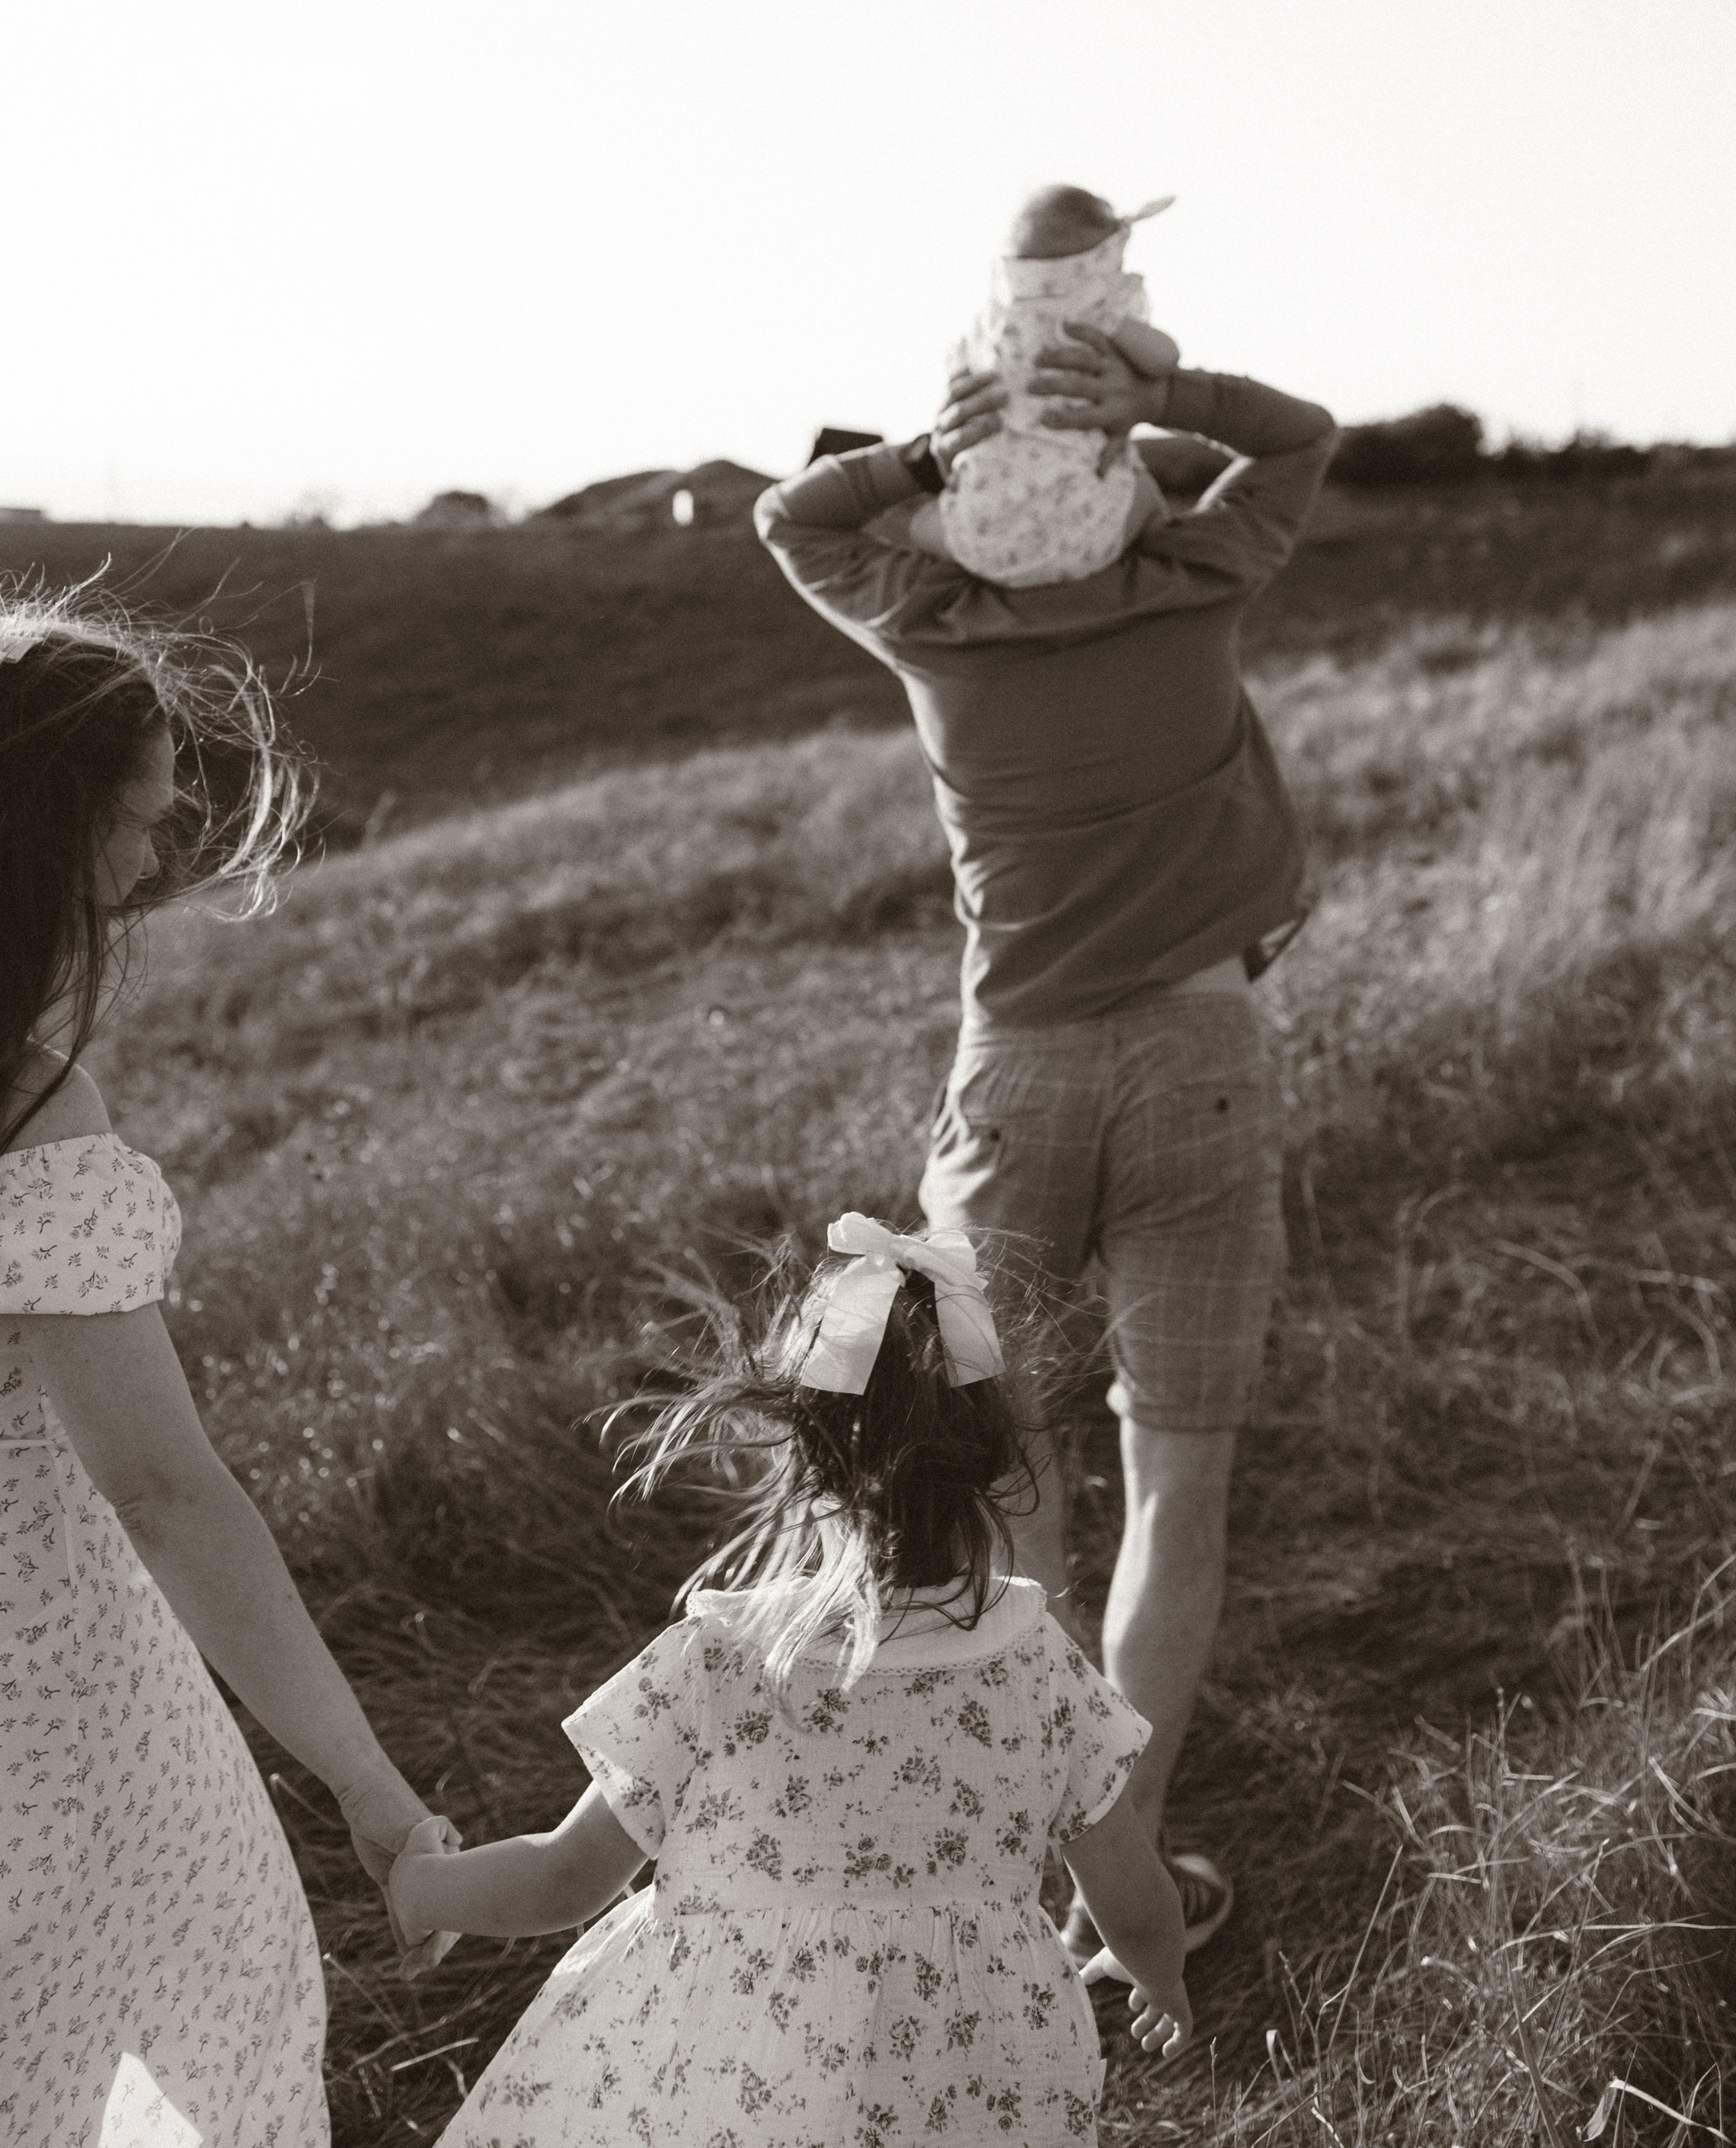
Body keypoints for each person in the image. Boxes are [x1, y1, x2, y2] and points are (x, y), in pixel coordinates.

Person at [753, 254, 1337, 1964]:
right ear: (1112, 481)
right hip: (1199, 1064)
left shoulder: (929, 620)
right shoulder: (1191, 575)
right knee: (1181, 1486)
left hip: (1011, 1082)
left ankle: (1021, 1855)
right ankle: (1124, 1860)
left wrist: (942, 455)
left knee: (1007, 1489)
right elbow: (1296, 440)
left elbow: (795, 516)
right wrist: (1150, 388)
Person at [388, 1213, 1190, 2146]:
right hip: (978, 2083)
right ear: (996, 1459)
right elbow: (1131, 1896)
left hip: (745, 2083)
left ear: (801, 1457)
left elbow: (564, 1883)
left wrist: (424, 1891)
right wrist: (1159, 1972)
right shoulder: (1034, 1661)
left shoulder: (724, 1660)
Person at [0, 599, 452, 2148]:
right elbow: (164, 1491)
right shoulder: (28, 1104)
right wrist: (368, 1790)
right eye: (129, 823)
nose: (148, 861)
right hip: (54, 1727)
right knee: (203, 2036)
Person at [908, 182, 1183, 587]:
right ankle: (1159, 565)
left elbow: (958, 395)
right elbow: (1165, 359)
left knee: (919, 525)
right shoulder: (1093, 315)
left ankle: (983, 582)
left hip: (981, 541)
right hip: (1086, 529)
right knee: (1143, 491)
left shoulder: (988, 331)